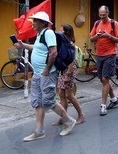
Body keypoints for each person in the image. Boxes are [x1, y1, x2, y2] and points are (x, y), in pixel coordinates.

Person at [15, 11, 75, 141]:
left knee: (48, 101)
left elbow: (53, 52)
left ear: (43, 23)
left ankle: (69, 121)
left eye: (35, 21)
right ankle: (39, 130)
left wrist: (47, 69)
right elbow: (36, 48)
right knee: (37, 101)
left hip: (47, 73)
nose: (33, 23)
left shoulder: (48, 33)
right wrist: (23, 45)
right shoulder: (39, 34)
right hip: (38, 73)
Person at [90, 5, 118, 116]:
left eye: (104, 15)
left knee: (105, 78)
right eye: (100, 15)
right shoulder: (96, 23)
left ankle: (103, 105)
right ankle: (113, 98)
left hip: (110, 54)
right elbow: (91, 38)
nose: (102, 17)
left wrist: (108, 36)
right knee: (103, 80)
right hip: (99, 54)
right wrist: (97, 36)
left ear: (108, 13)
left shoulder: (114, 24)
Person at [55, 24, 85, 125]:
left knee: (69, 95)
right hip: (63, 70)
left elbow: (71, 61)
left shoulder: (70, 43)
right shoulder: (63, 42)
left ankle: (81, 115)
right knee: (61, 94)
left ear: (66, 32)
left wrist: (68, 74)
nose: (59, 32)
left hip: (69, 70)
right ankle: (63, 117)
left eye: (61, 30)